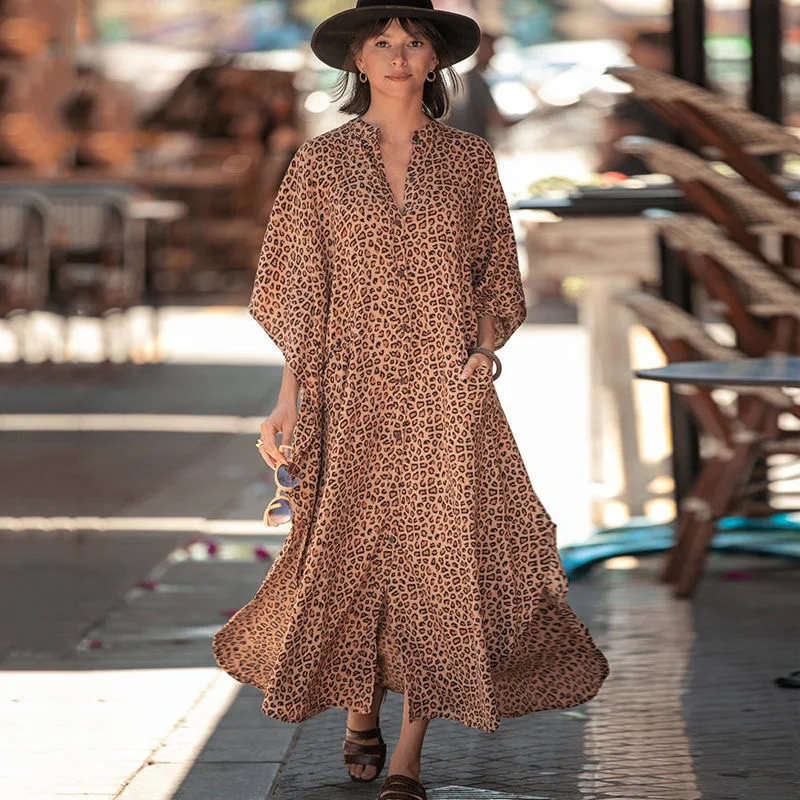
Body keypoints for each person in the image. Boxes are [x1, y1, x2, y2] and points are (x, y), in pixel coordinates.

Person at [211, 2, 609, 798]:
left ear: (435, 62)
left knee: (444, 564)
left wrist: (486, 347)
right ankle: (362, 707)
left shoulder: (469, 161)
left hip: (444, 390)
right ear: (357, 62)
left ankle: (407, 758)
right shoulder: (320, 165)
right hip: (347, 392)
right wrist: (288, 399)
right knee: (351, 559)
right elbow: (296, 288)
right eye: (382, 45)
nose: (398, 57)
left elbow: (500, 271)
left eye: (414, 44)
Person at [596, 27, 676, 175]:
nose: (630, 54)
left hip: (638, 176)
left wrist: (601, 170)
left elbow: (621, 136)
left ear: (658, 52)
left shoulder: (648, 93)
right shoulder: (672, 89)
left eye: (636, 48)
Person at [446, 30, 529, 147]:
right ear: (480, 51)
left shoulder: (466, 79)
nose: (494, 53)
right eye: (491, 48)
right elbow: (497, 120)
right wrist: (529, 117)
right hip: (472, 151)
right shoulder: (475, 81)